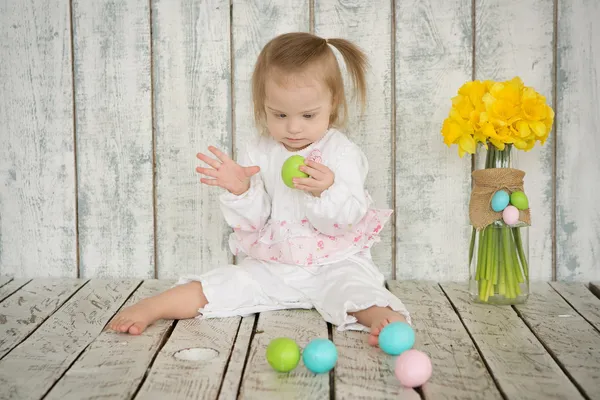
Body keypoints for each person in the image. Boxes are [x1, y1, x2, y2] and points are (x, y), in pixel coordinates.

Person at [108, 32, 410, 347]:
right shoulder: (261, 151)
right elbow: (254, 223)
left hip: (335, 262)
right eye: (279, 115)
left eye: (308, 115)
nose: (293, 127)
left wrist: (327, 191)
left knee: (357, 289)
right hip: (277, 263)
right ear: (262, 105)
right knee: (230, 281)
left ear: (332, 103)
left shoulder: (342, 153)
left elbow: (346, 220)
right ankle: (155, 306)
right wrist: (242, 191)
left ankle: (384, 320)